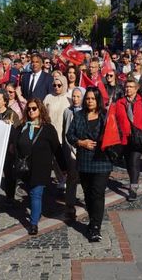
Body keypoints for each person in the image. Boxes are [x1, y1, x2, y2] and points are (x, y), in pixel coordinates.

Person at [66, 87, 111, 242]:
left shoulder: (105, 116)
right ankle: (93, 221)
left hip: (102, 160)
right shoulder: (78, 116)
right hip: (84, 160)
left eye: (93, 98)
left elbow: (113, 133)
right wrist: (81, 142)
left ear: (98, 100)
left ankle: (96, 227)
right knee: (88, 194)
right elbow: (69, 135)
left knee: (98, 193)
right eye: (88, 98)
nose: (90, 101)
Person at [13, 98, 64, 235]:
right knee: (31, 193)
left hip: (41, 168)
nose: (31, 111)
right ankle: (38, 212)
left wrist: (64, 167)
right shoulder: (22, 126)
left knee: (36, 194)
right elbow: (14, 143)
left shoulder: (48, 129)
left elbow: (57, 149)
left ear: (40, 109)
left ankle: (33, 223)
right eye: (29, 109)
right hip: (26, 168)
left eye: (34, 108)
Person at [116, 78, 142, 200]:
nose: (128, 89)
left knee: (134, 161)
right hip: (126, 137)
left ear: (136, 88)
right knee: (129, 163)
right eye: (126, 87)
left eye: (130, 87)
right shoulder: (120, 102)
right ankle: (133, 180)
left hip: (138, 137)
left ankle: (133, 188)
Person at [44, 75, 70, 190]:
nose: (56, 87)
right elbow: (43, 113)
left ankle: (68, 178)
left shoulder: (69, 97)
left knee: (65, 157)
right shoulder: (49, 97)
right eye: (54, 85)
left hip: (65, 133)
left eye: (59, 85)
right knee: (54, 159)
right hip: (52, 132)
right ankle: (61, 179)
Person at [62, 87, 84, 220]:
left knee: (86, 178)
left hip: (83, 149)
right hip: (70, 150)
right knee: (71, 178)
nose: (75, 99)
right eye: (74, 96)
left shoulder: (86, 112)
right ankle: (70, 206)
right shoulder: (67, 111)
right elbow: (64, 130)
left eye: (78, 96)